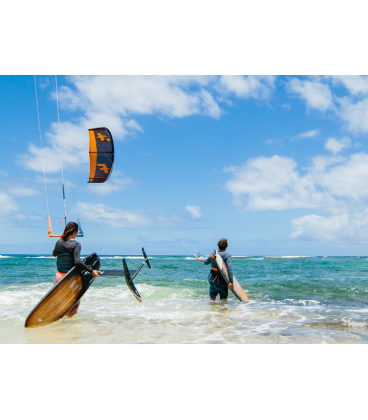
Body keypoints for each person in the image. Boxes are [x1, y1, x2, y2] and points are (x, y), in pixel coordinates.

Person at [52, 222, 100, 317]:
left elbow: (54, 254)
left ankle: (61, 320)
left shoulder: (59, 242)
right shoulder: (76, 244)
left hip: (59, 276)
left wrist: (60, 240)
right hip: (70, 277)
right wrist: (91, 271)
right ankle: (67, 322)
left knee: (62, 300)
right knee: (75, 303)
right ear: (76, 232)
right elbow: (77, 261)